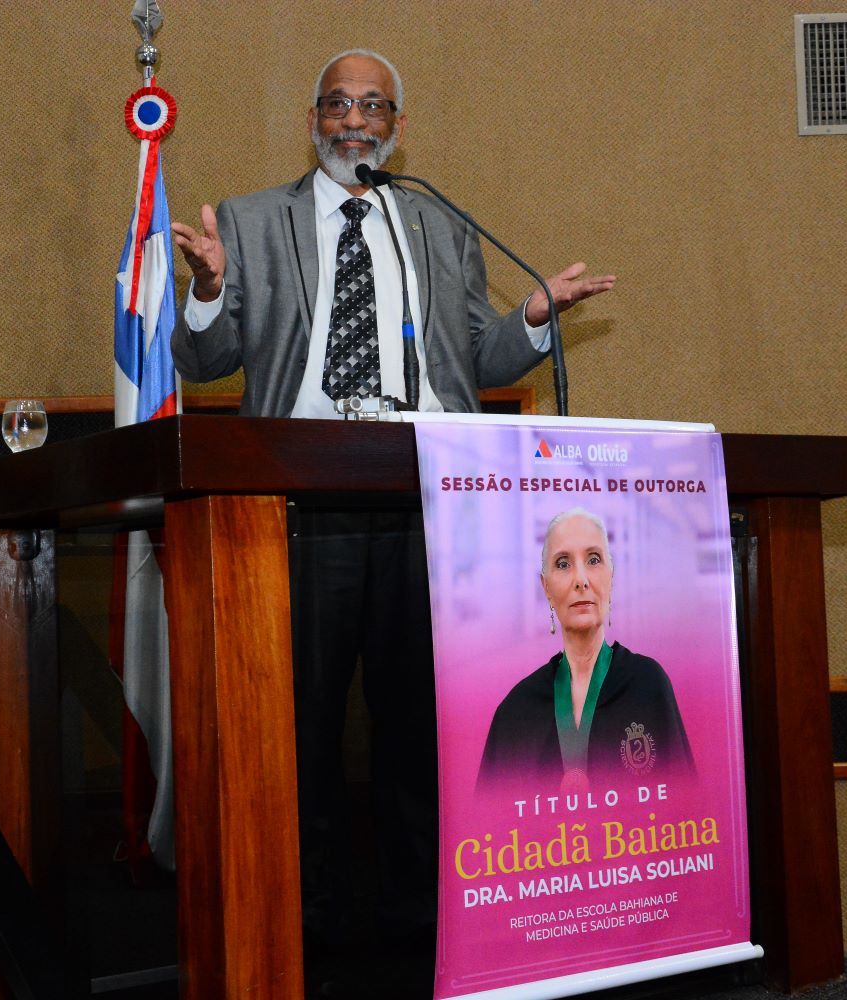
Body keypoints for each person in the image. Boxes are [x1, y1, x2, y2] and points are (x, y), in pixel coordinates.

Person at [168, 48, 614, 965]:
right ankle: (307, 927)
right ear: (313, 121)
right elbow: (205, 362)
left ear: (397, 130)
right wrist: (209, 289)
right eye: (338, 105)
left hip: (428, 498)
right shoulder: (251, 221)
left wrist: (533, 318)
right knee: (303, 726)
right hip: (301, 495)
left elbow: (477, 363)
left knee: (421, 724)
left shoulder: (439, 225)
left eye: (373, 107)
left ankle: (424, 929)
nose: (354, 121)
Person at [478, 507, 694, 793]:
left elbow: (684, 807)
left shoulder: (648, 685)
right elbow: (492, 817)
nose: (581, 579)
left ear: (610, 576)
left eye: (593, 560)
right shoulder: (514, 713)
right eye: (563, 563)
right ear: (546, 587)